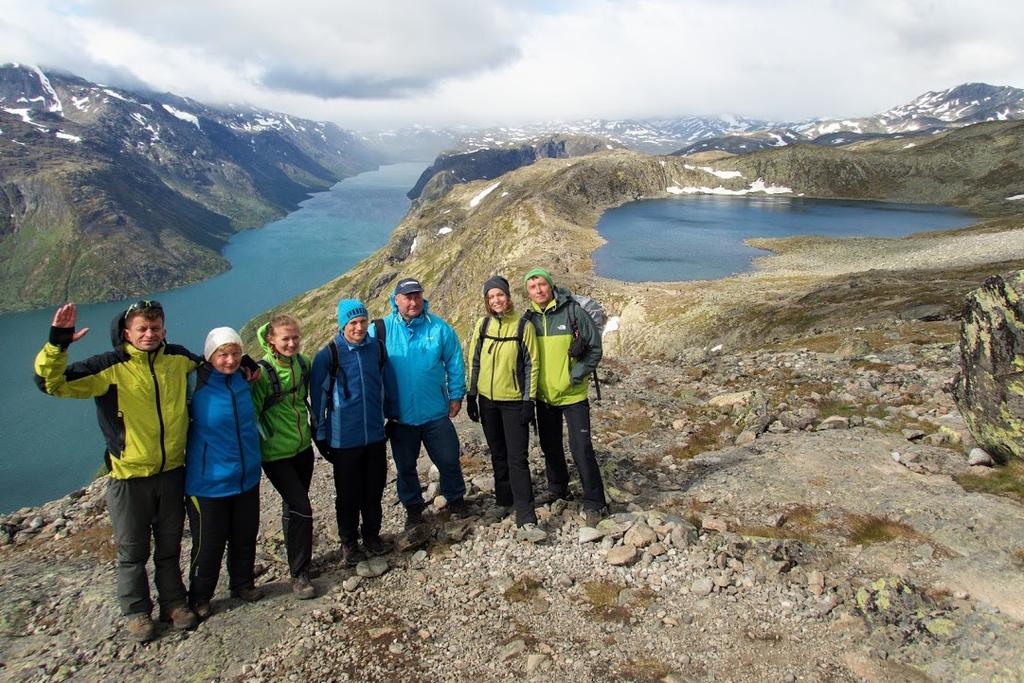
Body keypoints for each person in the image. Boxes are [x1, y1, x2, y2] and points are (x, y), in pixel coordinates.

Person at [33, 300, 200, 642]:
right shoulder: (109, 367)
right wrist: (58, 343)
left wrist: (243, 363)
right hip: (129, 476)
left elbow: (215, 365)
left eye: (155, 328)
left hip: (172, 471)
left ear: (164, 330)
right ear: (128, 333)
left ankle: (173, 603)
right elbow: (51, 382)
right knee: (132, 550)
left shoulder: (178, 360)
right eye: (142, 329)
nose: (149, 334)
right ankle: (137, 611)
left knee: (169, 545)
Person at [371, 278, 469, 529]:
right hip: (400, 415)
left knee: (448, 459)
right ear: (396, 300)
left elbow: (455, 362)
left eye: (417, 296)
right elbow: (358, 357)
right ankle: (413, 508)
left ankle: (456, 499)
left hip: (435, 411)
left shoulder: (438, 328)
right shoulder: (381, 330)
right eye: (407, 296)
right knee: (405, 466)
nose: (413, 301)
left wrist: (456, 395)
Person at [184, 327, 263, 619]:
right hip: (208, 482)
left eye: (235, 354)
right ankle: (200, 597)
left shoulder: (243, 377)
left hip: (246, 475)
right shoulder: (195, 382)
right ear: (210, 355)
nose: (229, 360)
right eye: (222, 354)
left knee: (245, 535)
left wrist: (248, 362)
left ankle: (242, 583)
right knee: (208, 544)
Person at [522, 268, 608, 526]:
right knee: (550, 446)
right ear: (528, 293)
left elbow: (594, 348)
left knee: (581, 448)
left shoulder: (573, 312)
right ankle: (558, 487)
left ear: (550, 285)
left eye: (542, 284)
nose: (538, 290)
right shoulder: (529, 320)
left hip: (572, 395)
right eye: (532, 287)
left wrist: (575, 376)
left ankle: (595, 501)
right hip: (544, 396)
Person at [311, 299, 391, 566]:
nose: (358, 328)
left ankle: (371, 536)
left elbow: (384, 384)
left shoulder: (376, 349)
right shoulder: (329, 355)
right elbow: (318, 401)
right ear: (342, 324)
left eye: (362, 322)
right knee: (347, 494)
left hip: (375, 435)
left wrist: (390, 417)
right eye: (352, 323)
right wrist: (321, 437)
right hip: (344, 439)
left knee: (374, 489)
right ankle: (348, 542)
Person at [465, 275, 543, 534]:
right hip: (487, 401)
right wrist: (471, 395)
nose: (496, 300)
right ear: (487, 301)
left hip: (513, 402)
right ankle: (503, 500)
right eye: (491, 297)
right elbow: (474, 360)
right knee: (497, 454)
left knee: (517, 458)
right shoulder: (483, 324)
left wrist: (528, 401)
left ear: (508, 297)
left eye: (500, 295)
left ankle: (526, 513)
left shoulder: (523, 326)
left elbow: (533, 364)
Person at [252, 315, 317, 599]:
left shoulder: (303, 364)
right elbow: (252, 414)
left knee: (294, 508)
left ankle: (296, 561)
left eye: (294, 338)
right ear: (271, 341)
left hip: (303, 449)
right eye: (285, 339)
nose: (291, 343)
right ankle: (300, 574)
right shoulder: (262, 373)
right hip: (276, 454)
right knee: (302, 506)